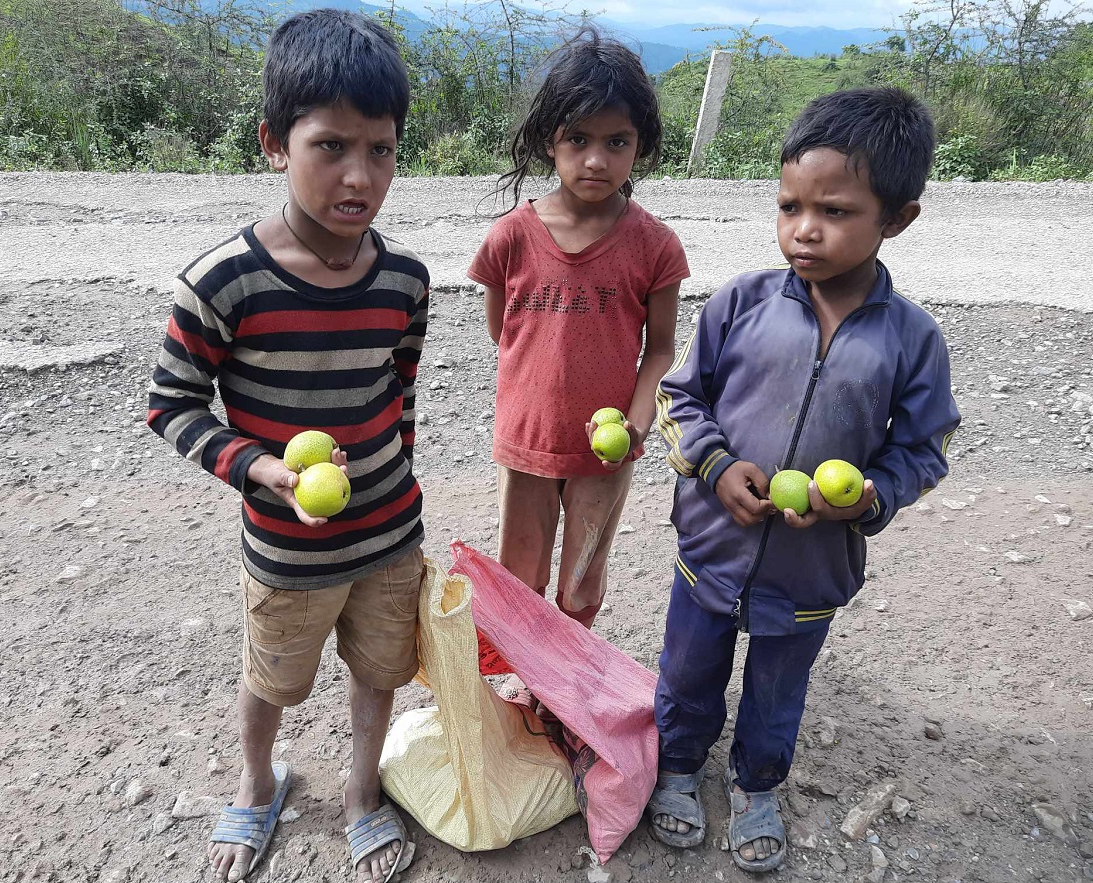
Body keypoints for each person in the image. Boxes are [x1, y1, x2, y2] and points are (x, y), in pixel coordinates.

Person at [647, 87, 961, 873]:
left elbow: (924, 449)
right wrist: (715, 465)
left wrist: (866, 496)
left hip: (813, 567)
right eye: (789, 206)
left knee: (778, 688)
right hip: (712, 547)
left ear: (898, 218)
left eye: (835, 210)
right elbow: (678, 398)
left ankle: (757, 783)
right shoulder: (740, 303)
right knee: (688, 672)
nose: (804, 229)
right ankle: (678, 767)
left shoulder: (912, 339)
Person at [147, 11, 427, 883]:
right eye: (331, 146)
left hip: (388, 535)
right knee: (271, 676)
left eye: (380, 150)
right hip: (286, 544)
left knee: (380, 670)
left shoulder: (406, 281)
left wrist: (401, 492)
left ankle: (360, 792)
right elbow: (171, 405)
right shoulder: (223, 281)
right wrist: (261, 469)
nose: (359, 175)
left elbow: (400, 398)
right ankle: (257, 778)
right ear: (274, 143)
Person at [467, 27, 689, 635]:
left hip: (607, 448)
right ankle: (523, 676)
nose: (597, 159)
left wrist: (637, 421)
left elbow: (662, 348)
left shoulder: (655, 245)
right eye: (579, 139)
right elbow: (503, 331)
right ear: (549, 142)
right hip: (529, 438)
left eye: (617, 141)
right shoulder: (511, 236)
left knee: (583, 576)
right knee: (522, 570)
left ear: (640, 147)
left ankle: (568, 687)